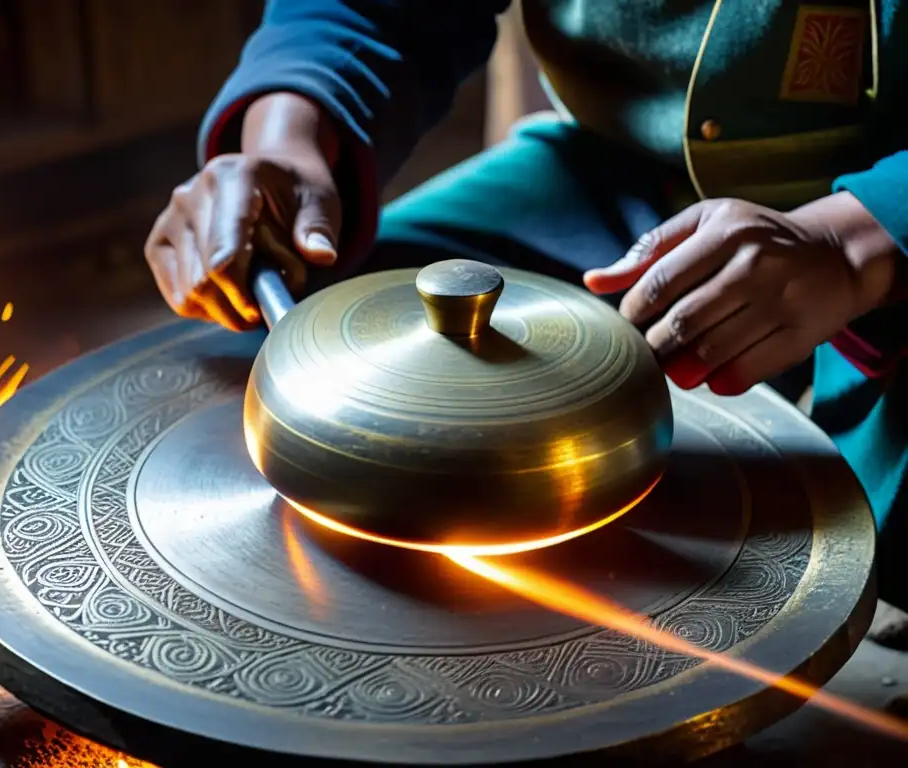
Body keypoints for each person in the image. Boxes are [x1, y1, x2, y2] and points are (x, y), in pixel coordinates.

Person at [144, 2, 908, 637]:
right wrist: (288, 139)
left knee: (873, 550)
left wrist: (853, 244)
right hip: (613, 180)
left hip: (880, 235)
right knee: (269, 353)